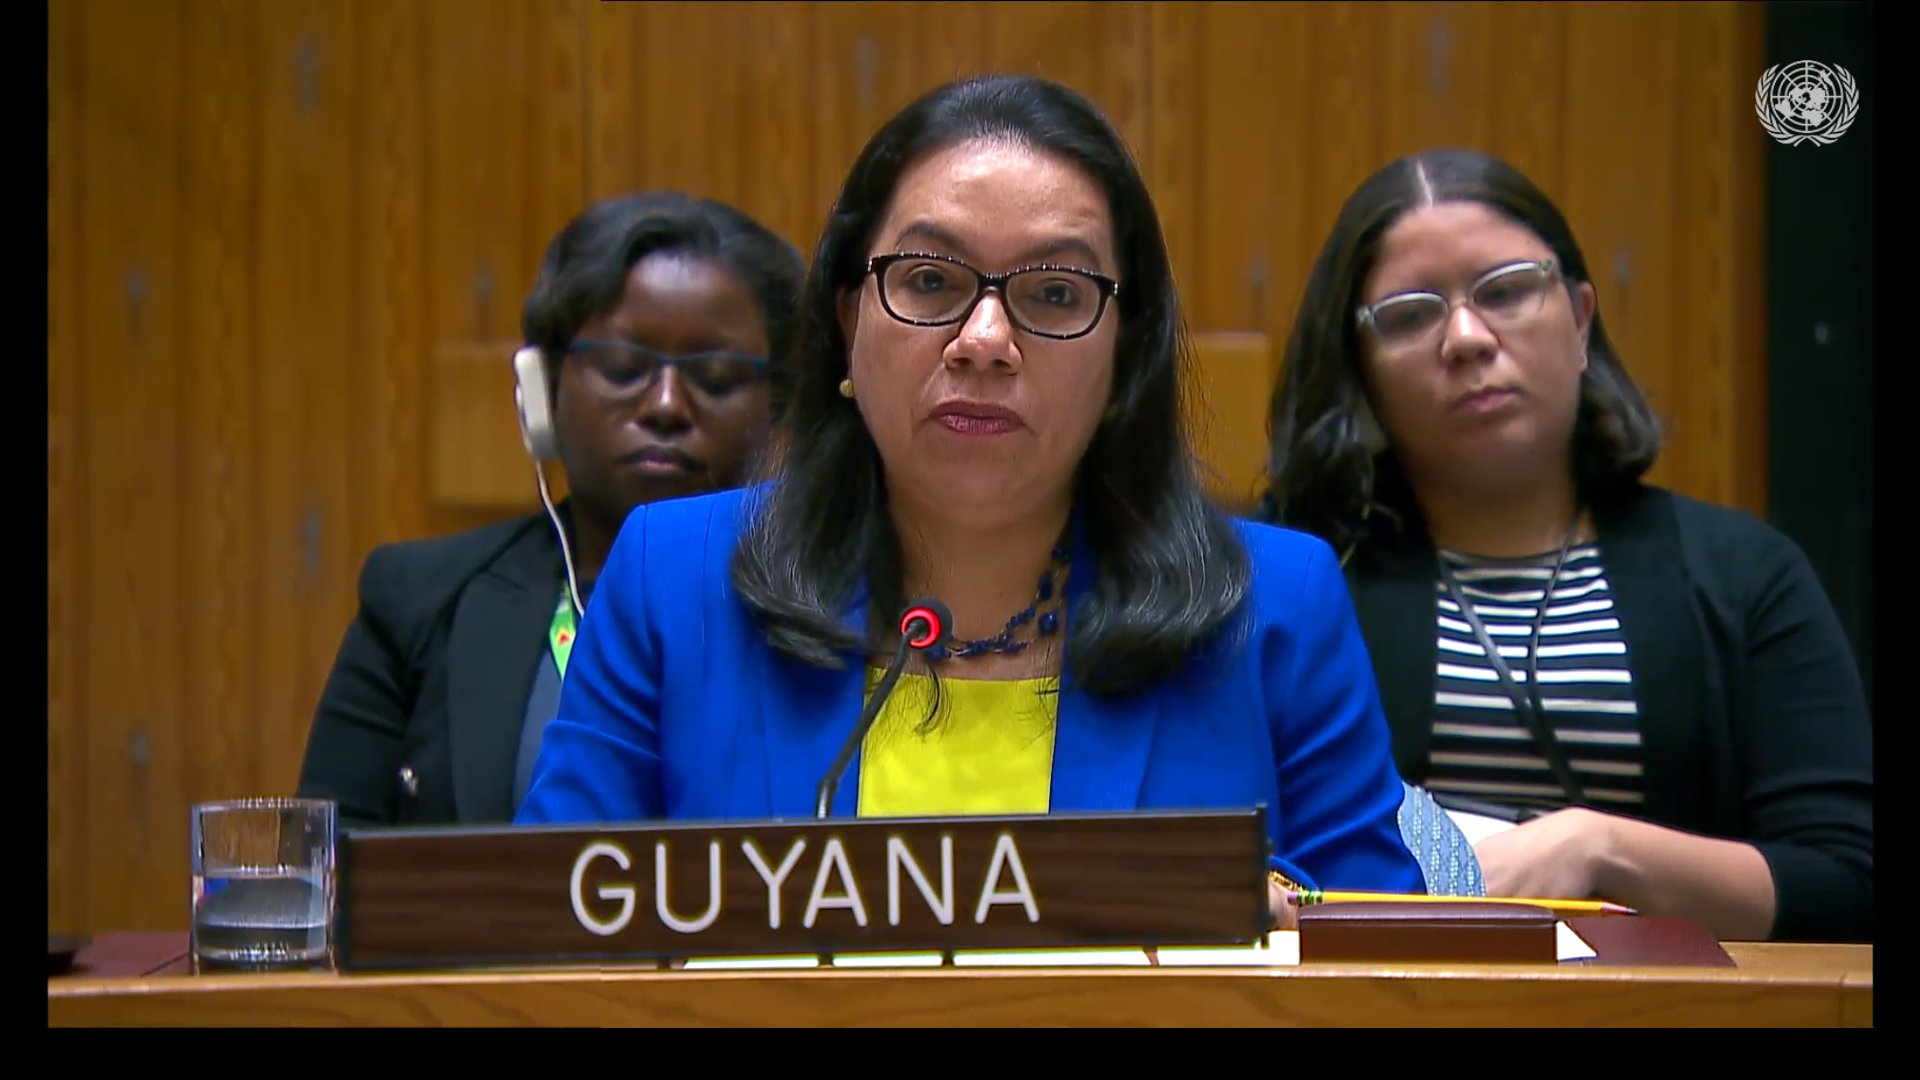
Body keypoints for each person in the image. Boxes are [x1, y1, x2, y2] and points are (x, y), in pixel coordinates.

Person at [516, 74, 1427, 928]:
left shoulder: (1275, 602)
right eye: (930, 282)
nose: (984, 341)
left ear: (1124, 353)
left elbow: (1381, 947)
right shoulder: (670, 578)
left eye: (1056, 293)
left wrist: (1277, 909)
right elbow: (545, 918)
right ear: (846, 318)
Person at [1254, 148, 1872, 943]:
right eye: (1411, 314)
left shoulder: (1744, 572)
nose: (1467, 338)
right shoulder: (1289, 577)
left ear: (1581, 321)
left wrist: (1600, 847)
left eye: (1506, 292)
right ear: (1359, 371)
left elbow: (1848, 881)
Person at [296, 191, 807, 827]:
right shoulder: (420, 600)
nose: (668, 405)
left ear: (781, 405)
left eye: (718, 377)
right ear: (543, 393)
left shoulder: (835, 603)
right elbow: (331, 876)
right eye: (624, 368)